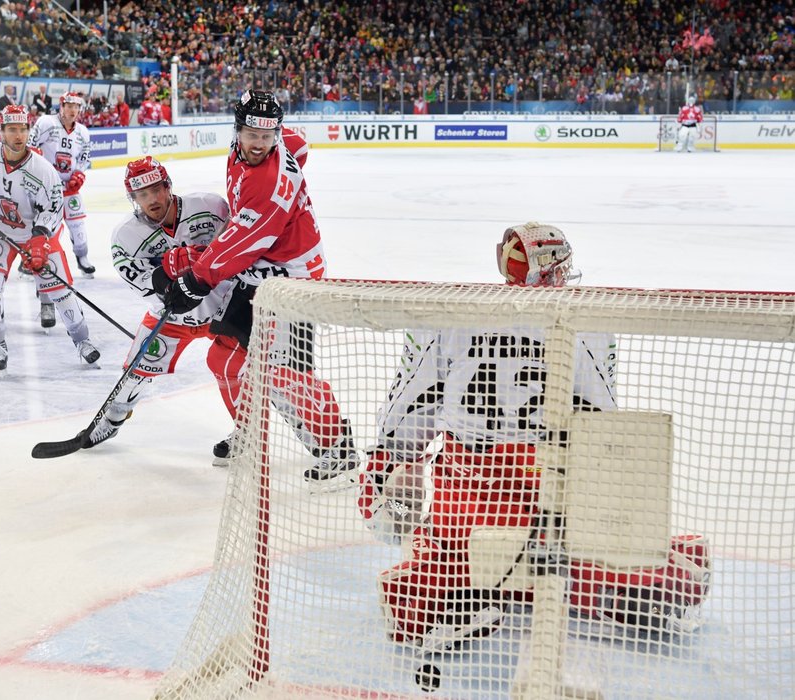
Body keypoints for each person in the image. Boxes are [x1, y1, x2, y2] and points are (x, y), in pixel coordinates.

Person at [364, 223, 710, 649]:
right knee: (568, 555)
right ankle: (630, 578)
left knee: (436, 543)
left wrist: (385, 477)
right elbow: (600, 421)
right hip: (550, 492)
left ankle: (445, 594)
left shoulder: (451, 316)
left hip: (468, 491)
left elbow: (406, 413)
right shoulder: (591, 323)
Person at [161, 90, 361, 477]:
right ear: (238, 129)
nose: (259, 144)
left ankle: (339, 447)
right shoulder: (276, 142)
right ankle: (251, 433)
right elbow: (300, 146)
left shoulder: (266, 185)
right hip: (260, 271)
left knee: (285, 374)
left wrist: (195, 280)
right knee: (223, 360)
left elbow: (242, 241)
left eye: (267, 138)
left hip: (293, 282)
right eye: (253, 134)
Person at [0, 104, 102, 373]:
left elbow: (52, 207)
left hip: (32, 235)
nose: (18, 135)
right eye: (12, 129)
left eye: (23, 129)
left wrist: (40, 238)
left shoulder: (42, 169)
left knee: (59, 290)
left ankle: (82, 340)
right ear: (1, 131)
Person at [83, 157, 230, 446]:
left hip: (224, 308)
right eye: (142, 194)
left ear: (168, 186)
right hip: (173, 318)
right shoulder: (125, 236)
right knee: (135, 372)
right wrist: (166, 274)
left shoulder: (211, 207)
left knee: (238, 371)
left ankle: (246, 429)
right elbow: (147, 284)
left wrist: (205, 261)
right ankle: (112, 420)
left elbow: (239, 248)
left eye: (156, 189)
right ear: (133, 198)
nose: (151, 199)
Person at [27, 91, 95, 276]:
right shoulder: (47, 123)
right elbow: (31, 147)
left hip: (70, 189)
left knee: (78, 226)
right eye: (69, 106)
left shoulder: (83, 132)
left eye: (76, 107)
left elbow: (84, 157)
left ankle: (82, 258)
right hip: (47, 189)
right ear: (61, 106)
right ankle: (31, 257)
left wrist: (79, 174)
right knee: (46, 226)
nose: (73, 110)